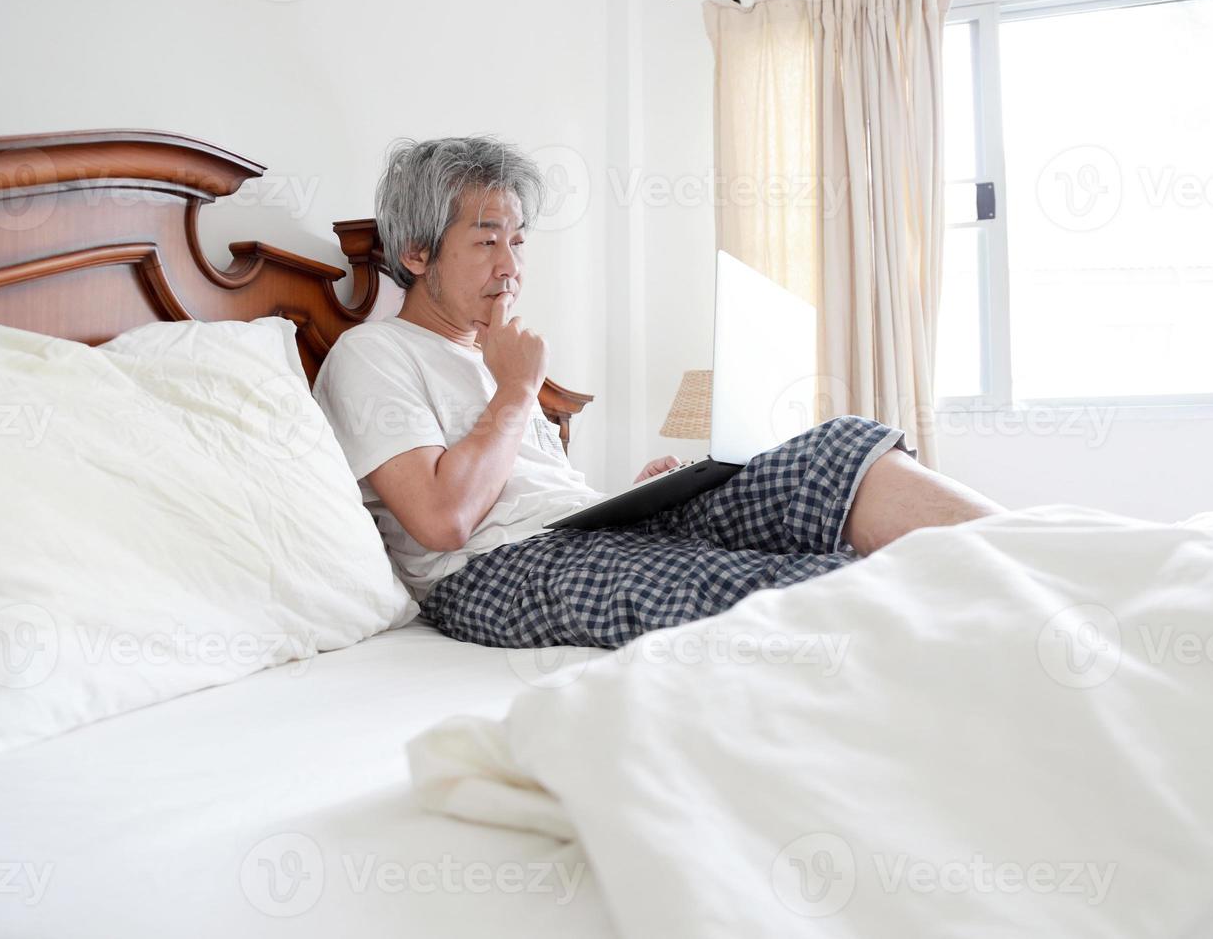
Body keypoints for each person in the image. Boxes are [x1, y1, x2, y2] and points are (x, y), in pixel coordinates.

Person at [314, 136, 1005, 650]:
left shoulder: (497, 358)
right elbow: (442, 519)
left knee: (839, 449)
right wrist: (517, 389)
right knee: (790, 587)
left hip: (583, 531)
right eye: (488, 241)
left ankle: (1044, 559)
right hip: (491, 573)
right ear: (416, 253)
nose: (512, 267)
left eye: (519, 242)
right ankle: (996, 633)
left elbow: (530, 490)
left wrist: (619, 497)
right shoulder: (371, 354)